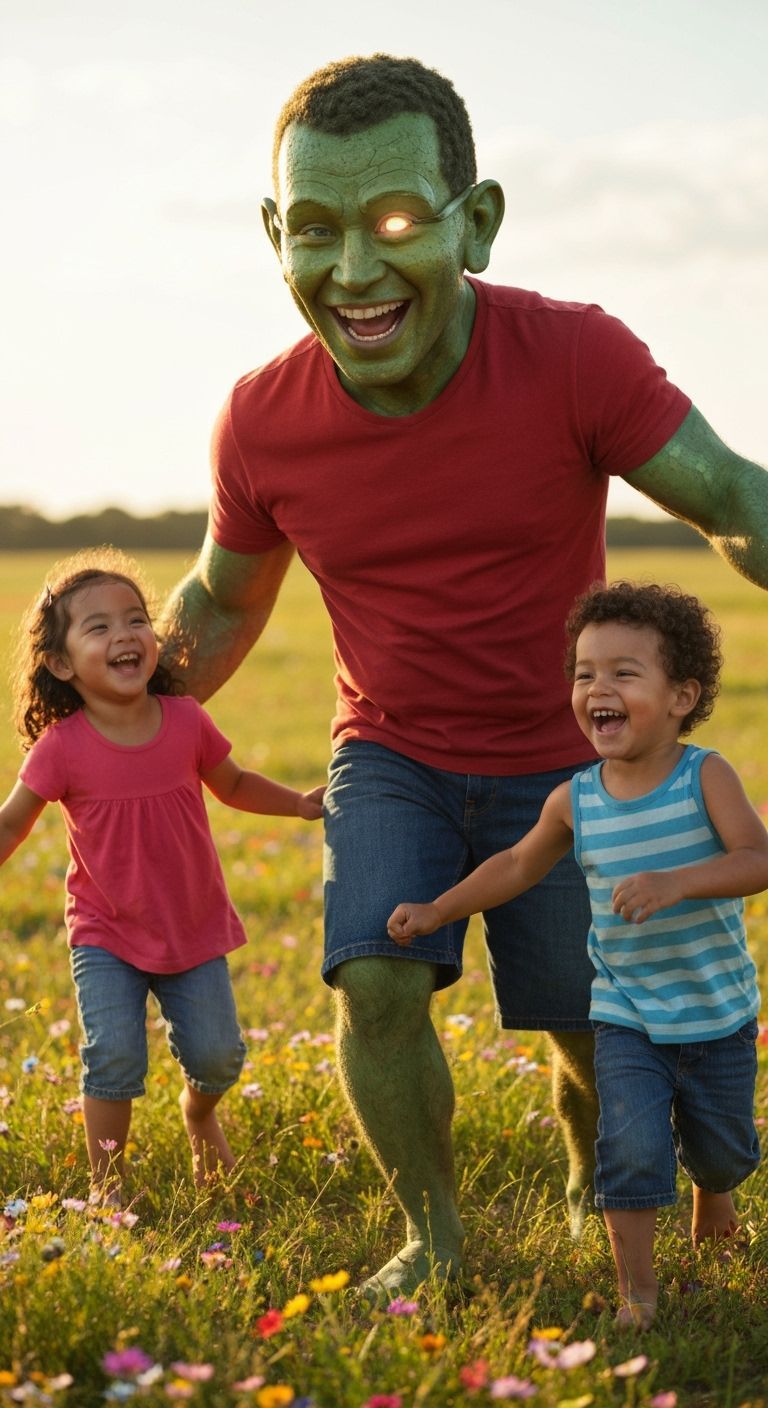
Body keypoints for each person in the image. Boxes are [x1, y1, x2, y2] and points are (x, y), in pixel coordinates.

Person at [159, 53, 768, 1297]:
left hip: (571, 759)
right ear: (276, 233)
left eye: (392, 224)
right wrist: (109, 717)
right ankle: (432, 1240)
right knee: (375, 978)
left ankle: (619, 1190)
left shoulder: (575, 358)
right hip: (392, 758)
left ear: (472, 222)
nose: (353, 271)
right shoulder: (262, 419)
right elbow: (222, 601)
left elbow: (731, 499)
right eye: (315, 230)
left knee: (597, 1035)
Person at [388, 581, 767, 1326]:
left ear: (683, 695)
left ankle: (713, 1188)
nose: (599, 687)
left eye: (625, 673)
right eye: (585, 673)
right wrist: (438, 908)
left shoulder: (705, 776)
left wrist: (679, 882)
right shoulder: (576, 798)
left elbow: (757, 857)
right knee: (625, 1143)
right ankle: (639, 1296)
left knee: (724, 1150)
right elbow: (516, 866)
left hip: (714, 1010)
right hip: (624, 1011)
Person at [0, 549, 325, 1203]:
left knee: (217, 1058)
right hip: (105, 932)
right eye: (99, 627)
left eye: (136, 619)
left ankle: (199, 1113)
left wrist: (295, 803)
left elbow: (231, 783)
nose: (125, 635)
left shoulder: (184, 721)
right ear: (61, 665)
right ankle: (108, 1192)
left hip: (193, 927)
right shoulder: (61, 746)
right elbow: (12, 824)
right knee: (114, 1058)